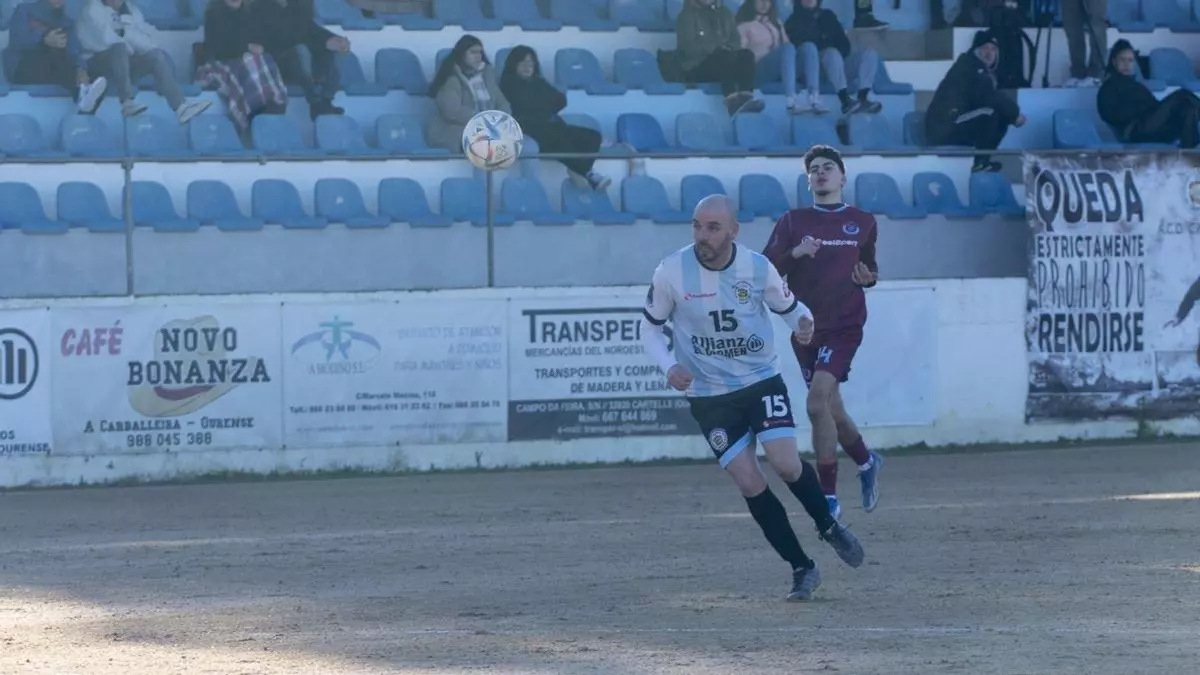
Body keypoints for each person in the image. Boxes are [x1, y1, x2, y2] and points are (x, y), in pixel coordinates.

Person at [641, 193, 866, 602]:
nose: (702, 235)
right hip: (709, 395)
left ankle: (828, 525)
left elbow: (792, 308)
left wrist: (803, 324)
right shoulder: (671, 271)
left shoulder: (757, 267)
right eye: (697, 226)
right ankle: (802, 567)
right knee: (748, 481)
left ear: (733, 230)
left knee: (786, 464)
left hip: (760, 381)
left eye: (713, 228)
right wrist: (668, 366)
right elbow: (650, 328)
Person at [761, 145, 882, 520]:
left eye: (828, 167)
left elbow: (870, 269)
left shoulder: (863, 221)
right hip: (806, 328)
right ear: (808, 180)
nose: (821, 173)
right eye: (814, 169)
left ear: (842, 177)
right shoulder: (792, 222)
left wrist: (869, 279)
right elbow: (764, 269)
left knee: (816, 404)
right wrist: (795, 254)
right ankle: (867, 461)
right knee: (832, 409)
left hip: (844, 326)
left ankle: (828, 495)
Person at [75, 0, 210, 122]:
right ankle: (127, 103)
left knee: (156, 56)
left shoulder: (131, 10)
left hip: (124, 65)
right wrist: (130, 42)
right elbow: (105, 39)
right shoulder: (92, 9)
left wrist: (125, 33)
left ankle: (180, 107)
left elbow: (151, 42)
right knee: (119, 49)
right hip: (97, 66)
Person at [498, 45, 610, 191]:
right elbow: (525, 106)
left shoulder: (538, 81)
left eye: (531, 62)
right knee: (559, 139)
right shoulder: (508, 84)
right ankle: (589, 174)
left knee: (593, 136)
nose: (527, 66)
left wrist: (540, 107)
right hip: (531, 132)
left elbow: (561, 100)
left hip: (554, 126)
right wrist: (544, 106)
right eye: (522, 62)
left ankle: (578, 171)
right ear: (514, 64)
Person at [924, 30, 1026, 172]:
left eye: (993, 49)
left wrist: (1010, 116)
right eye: (985, 48)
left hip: (957, 123)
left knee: (1002, 116)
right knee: (990, 114)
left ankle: (983, 162)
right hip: (943, 128)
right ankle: (979, 163)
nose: (989, 53)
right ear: (975, 50)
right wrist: (1015, 113)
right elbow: (988, 97)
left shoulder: (981, 70)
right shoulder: (969, 67)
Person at [783, 0, 883, 115]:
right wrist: (826, 44)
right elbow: (801, 51)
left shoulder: (828, 16)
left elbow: (844, 45)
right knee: (831, 52)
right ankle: (845, 100)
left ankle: (863, 97)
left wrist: (832, 49)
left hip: (837, 66)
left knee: (869, 53)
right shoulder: (793, 21)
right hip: (814, 72)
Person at [7, 0, 108, 113]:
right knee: (54, 49)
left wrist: (81, 69)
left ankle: (84, 108)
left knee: (97, 78)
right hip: (24, 68)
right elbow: (18, 40)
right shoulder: (25, 10)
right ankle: (80, 91)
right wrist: (43, 40)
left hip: (54, 70)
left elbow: (74, 50)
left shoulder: (67, 22)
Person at [1097, 39, 1200, 149]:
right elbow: (1107, 114)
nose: (1127, 64)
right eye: (1122, 60)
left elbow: (1153, 106)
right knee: (1181, 95)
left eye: (1130, 60)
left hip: (1152, 125)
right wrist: (1132, 111)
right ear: (1114, 61)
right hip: (1135, 129)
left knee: (1188, 109)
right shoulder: (1109, 86)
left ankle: (1190, 153)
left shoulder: (1135, 84)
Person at [253, 0, 347, 118]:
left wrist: (333, 39)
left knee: (335, 49)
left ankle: (326, 100)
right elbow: (284, 39)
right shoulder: (260, 7)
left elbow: (312, 29)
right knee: (301, 50)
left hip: (299, 63)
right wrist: (323, 43)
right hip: (276, 64)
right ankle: (315, 101)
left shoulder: (295, 7)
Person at [675, 0, 765, 116]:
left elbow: (735, 40)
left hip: (724, 60)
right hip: (696, 65)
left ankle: (746, 98)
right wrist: (717, 48)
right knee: (724, 56)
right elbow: (688, 48)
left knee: (746, 55)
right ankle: (733, 103)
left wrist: (726, 48)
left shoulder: (725, 13)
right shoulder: (686, 16)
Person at [427, 34, 510, 153]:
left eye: (480, 52)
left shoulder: (487, 76)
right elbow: (452, 112)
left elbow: (503, 103)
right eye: (473, 52)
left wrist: (500, 120)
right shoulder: (450, 79)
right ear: (462, 55)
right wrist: (483, 121)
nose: (478, 56)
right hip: (454, 132)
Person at [734, 0, 798, 113]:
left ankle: (813, 97)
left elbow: (787, 46)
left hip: (777, 69)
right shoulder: (744, 26)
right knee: (787, 48)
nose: (764, 4)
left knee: (801, 48)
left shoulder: (776, 23)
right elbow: (740, 55)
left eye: (768, 1)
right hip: (757, 70)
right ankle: (790, 99)